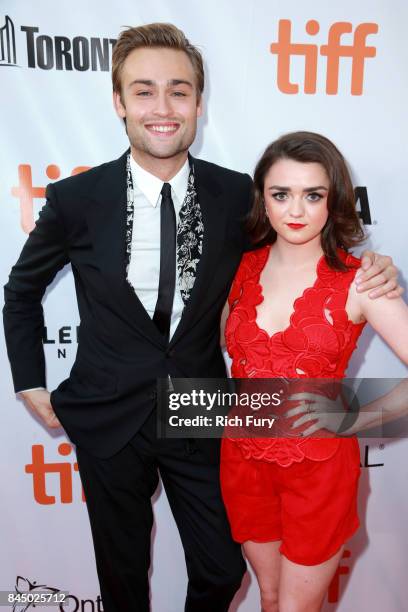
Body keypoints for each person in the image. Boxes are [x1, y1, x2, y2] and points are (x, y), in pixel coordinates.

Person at [2, 24, 401, 612]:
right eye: (143, 91)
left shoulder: (237, 193)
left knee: (220, 569)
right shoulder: (75, 199)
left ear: (197, 103)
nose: (162, 108)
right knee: (122, 578)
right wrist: (30, 382)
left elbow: (298, 243)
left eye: (179, 91)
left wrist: (375, 266)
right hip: (108, 411)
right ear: (119, 102)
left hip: (204, 410)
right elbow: (21, 290)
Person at [220, 131, 408, 612]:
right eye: (281, 194)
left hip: (318, 471)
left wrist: (356, 419)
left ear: (334, 200)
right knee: (268, 595)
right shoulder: (239, 269)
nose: (296, 210)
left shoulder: (361, 280)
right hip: (243, 461)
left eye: (313, 195)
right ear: (263, 199)